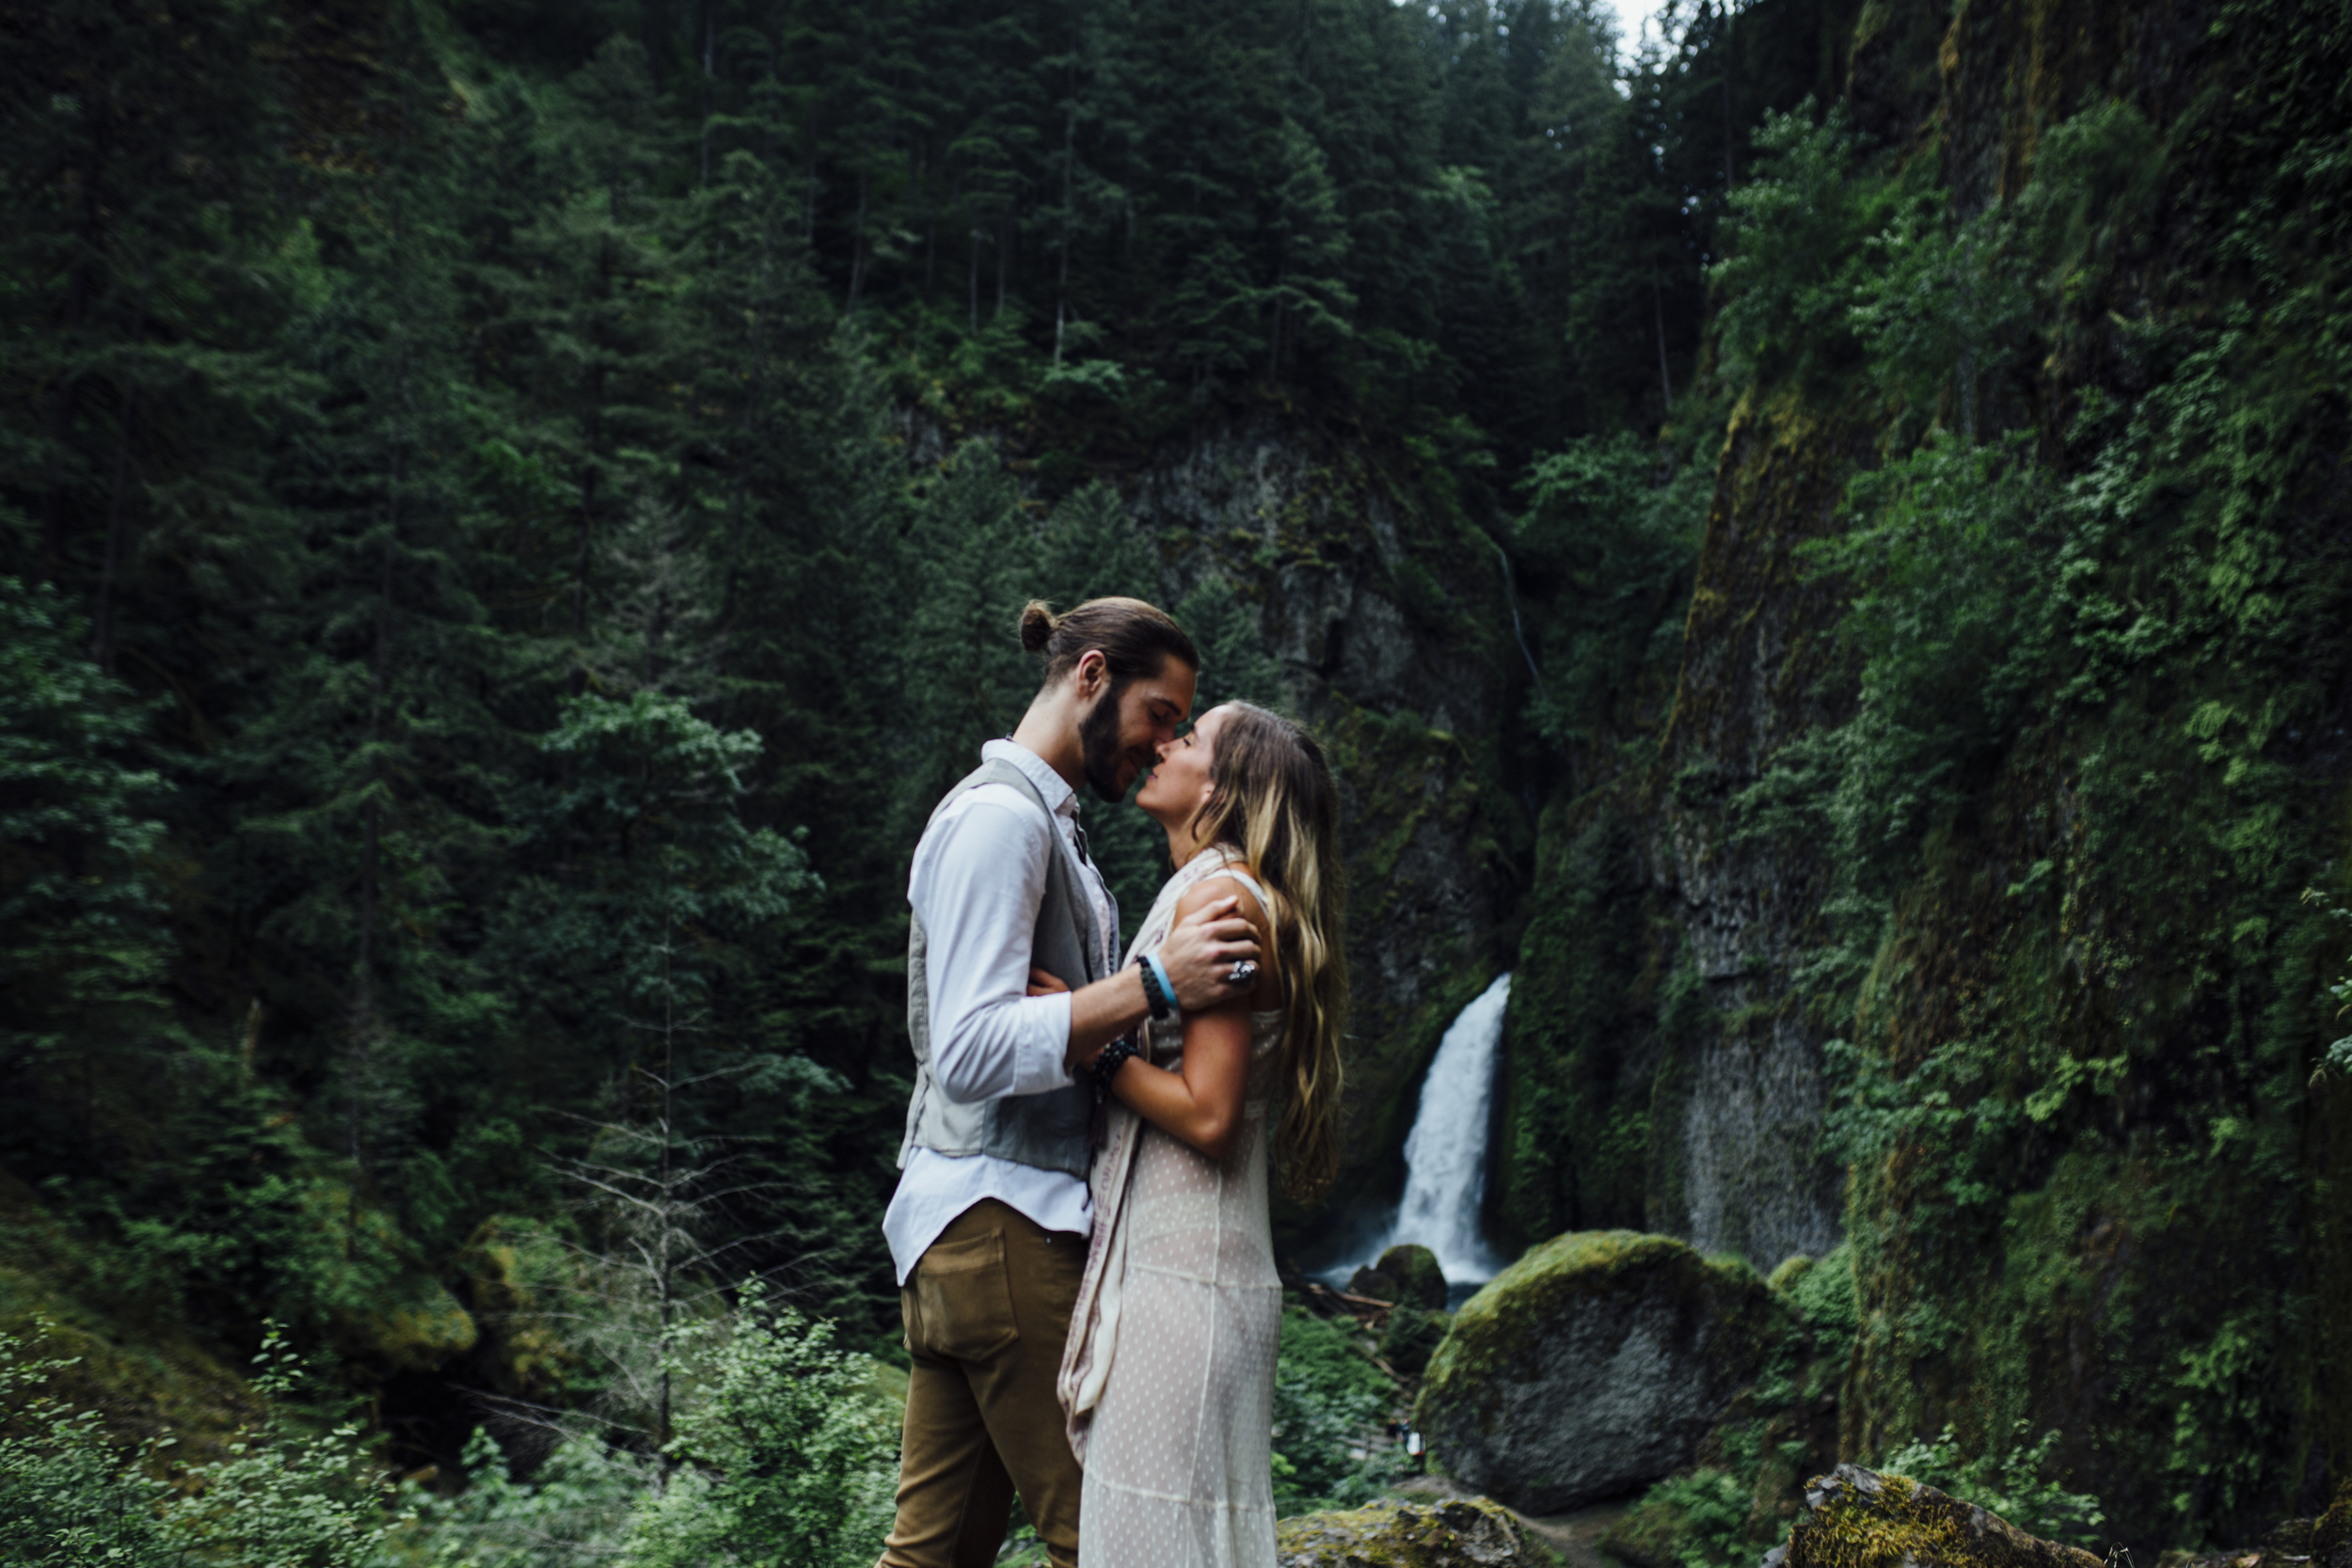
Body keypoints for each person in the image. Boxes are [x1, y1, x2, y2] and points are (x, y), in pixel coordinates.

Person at [879, 598, 1264, 1568]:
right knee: (1113, 1541)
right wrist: (1153, 985)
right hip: (1003, 1223)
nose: (1165, 740)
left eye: (1181, 726)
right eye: (1160, 713)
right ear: (1090, 677)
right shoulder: (1000, 819)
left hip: (971, 1235)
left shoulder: (1053, 829)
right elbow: (963, 1048)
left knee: (930, 1556)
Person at [1054, 701, 1349, 1568]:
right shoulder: (1238, 890)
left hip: (1188, 1282)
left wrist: (1095, 1050)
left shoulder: (1221, 895)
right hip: (1202, 1273)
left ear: (1223, 787)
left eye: (1191, 737)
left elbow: (1211, 1115)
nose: (1164, 744)